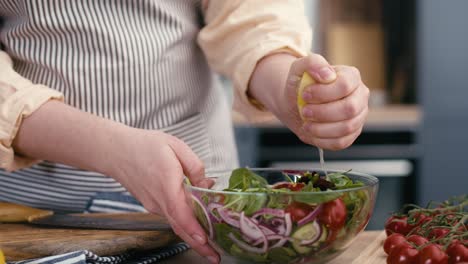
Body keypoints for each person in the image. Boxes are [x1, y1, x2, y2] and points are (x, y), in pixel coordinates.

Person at [0, 0, 369, 263]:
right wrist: (110, 148)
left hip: (205, 208)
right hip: (30, 213)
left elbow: (250, 15)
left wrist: (284, 84)